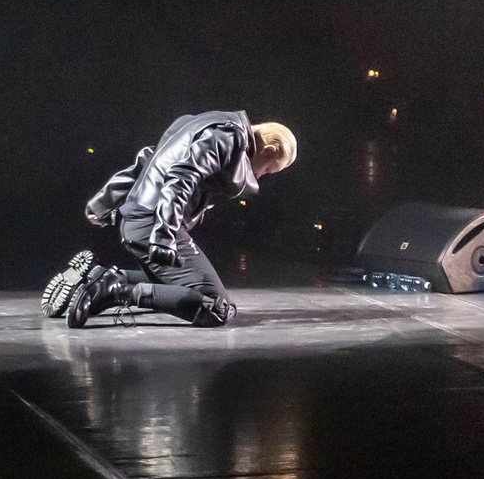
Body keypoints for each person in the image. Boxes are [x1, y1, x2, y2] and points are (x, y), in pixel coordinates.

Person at [44, 112, 296, 328]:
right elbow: (181, 177)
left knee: (174, 287)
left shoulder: (200, 122)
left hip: (137, 220)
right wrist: (164, 236)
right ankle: (117, 290)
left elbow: (148, 159)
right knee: (217, 308)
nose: (261, 175)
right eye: (268, 169)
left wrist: (104, 201)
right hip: (155, 225)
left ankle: (101, 278)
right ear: (268, 150)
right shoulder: (228, 137)